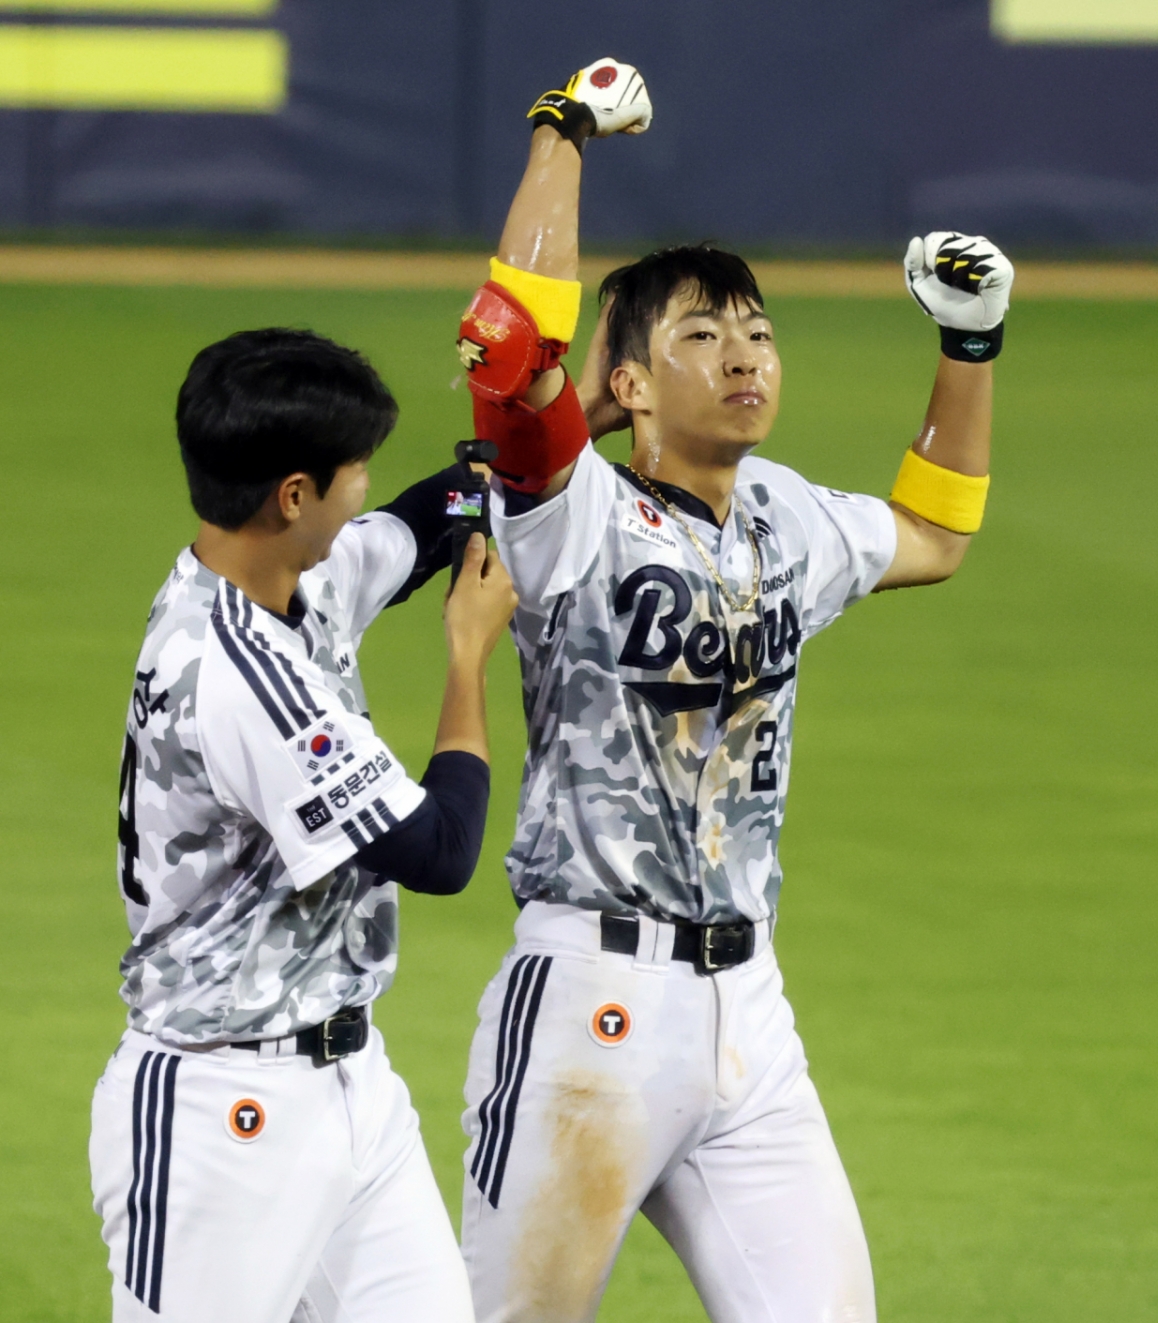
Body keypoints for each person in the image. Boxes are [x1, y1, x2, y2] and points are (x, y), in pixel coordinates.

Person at [452, 60, 1012, 1323]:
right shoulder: (568, 517)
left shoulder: (787, 514)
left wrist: (969, 347)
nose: (744, 355)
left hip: (750, 1017)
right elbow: (508, 351)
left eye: (756, 331)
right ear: (631, 385)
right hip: (589, 1009)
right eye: (700, 336)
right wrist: (562, 131)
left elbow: (935, 534)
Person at [89, 327, 517, 1323]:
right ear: (293, 495)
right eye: (353, 469)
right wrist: (466, 656)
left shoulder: (271, 577)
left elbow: (423, 523)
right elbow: (439, 850)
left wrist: (542, 434)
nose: (366, 487)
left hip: (353, 1093)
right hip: (219, 1117)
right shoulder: (237, 675)